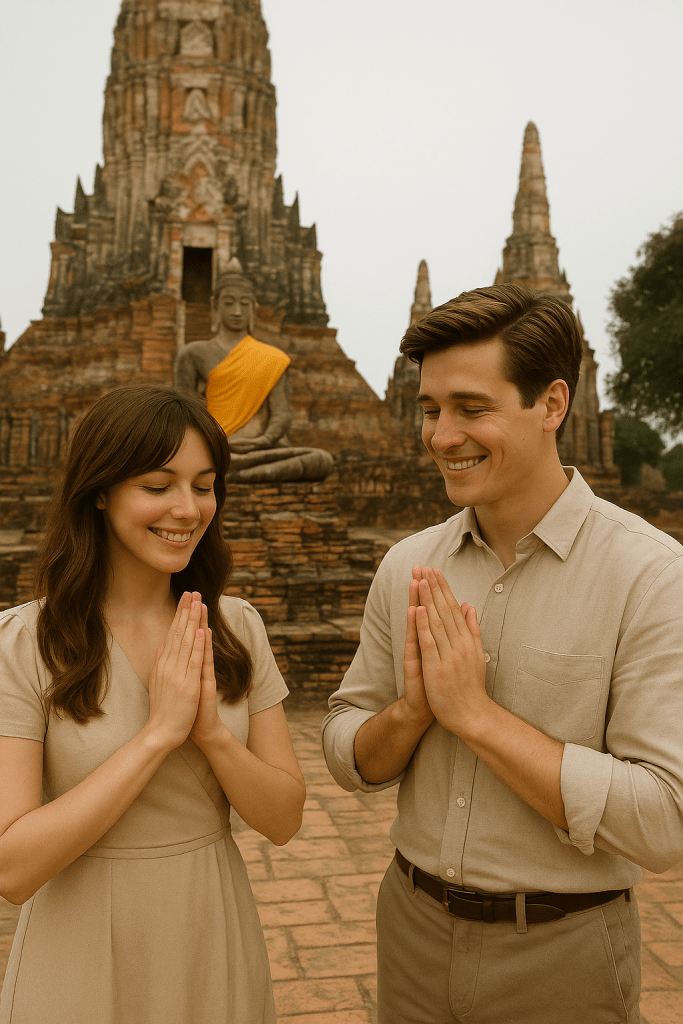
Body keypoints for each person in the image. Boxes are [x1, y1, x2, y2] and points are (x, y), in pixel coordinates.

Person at [322, 284, 683, 1024]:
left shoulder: (648, 575)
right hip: (411, 928)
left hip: (561, 949)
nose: (440, 435)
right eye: (429, 410)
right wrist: (411, 712)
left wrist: (475, 716)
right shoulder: (408, 566)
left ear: (551, 405)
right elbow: (344, 748)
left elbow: (661, 823)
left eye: (470, 408)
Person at [0, 383, 306, 1024]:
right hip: (78, 940)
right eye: (158, 485)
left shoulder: (235, 628)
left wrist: (213, 736)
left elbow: (282, 817)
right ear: (102, 490)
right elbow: (14, 867)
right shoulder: (27, 641)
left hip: (208, 922)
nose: (188, 509)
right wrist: (156, 736)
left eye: (204, 484)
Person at [174, 258, 334, 482]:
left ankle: (224, 476)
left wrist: (264, 440)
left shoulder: (272, 358)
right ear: (215, 306)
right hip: (216, 448)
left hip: (261, 450)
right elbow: (182, 415)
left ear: (254, 309)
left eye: (244, 304)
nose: (237, 311)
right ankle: (226, 472)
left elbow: (282, 413)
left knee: (320, 460)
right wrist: (213, 443)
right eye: (229, 303)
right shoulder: (194, 353)